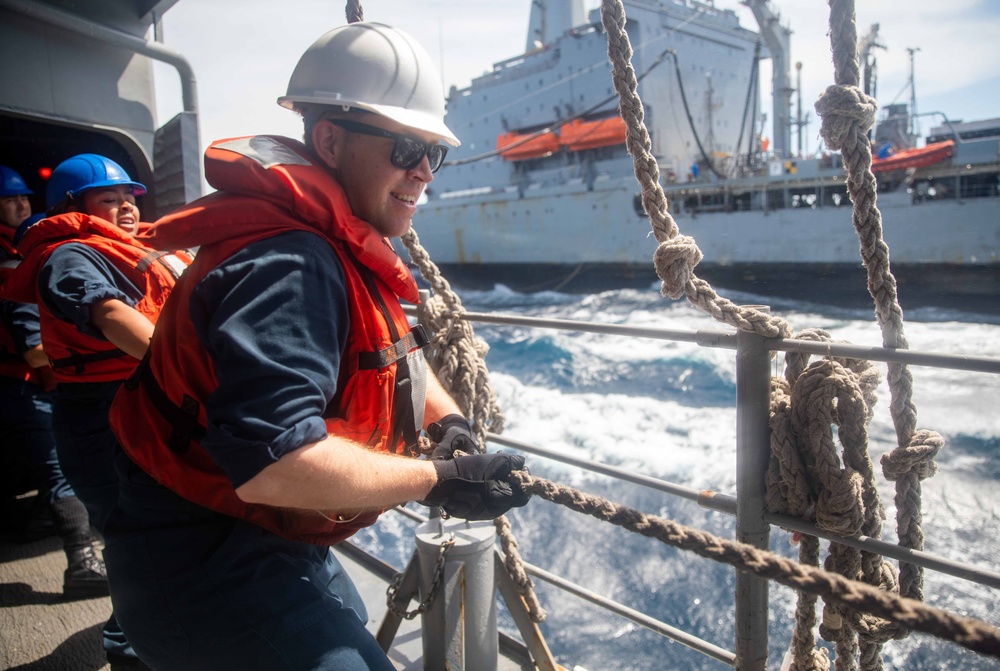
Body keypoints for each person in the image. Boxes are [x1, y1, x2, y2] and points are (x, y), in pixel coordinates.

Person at [102, 22, 531, 671]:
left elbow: (403, 355)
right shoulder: (291, 264)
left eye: (432, 155)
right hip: (203, 560)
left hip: (268, 537)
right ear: (330, 140)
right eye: (405, 148)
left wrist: (449, 424)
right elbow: (274, 462)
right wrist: (438, 479)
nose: (422, 171)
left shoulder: (341, 244)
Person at [0, 154, 192, 670]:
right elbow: (108, 314)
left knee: (160, 537)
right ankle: (130, 650)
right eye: (108, 199)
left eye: (129, 197)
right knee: (134, 540)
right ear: (72, 207)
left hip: (147, 402)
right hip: (98, 418)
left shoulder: (144, 248)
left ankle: (138, 631)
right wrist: (194, 373)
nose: (126, 207)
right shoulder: (70, 256)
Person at [0, 165, 108, 598]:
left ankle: (42, 519)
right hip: (24, 385)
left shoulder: (23, 253)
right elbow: (33, 345)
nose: (21, 205)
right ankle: (82, 561)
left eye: (24, 198)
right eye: (10, 199)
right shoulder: (25, 262)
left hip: (28, 384)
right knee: (61, 472)